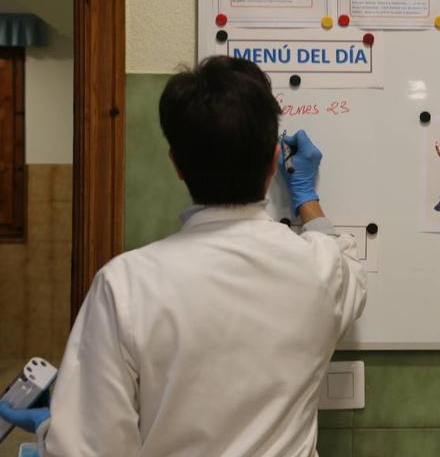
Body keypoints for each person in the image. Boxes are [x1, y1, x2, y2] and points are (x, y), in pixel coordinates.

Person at [0, 56, 367, 456]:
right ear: (273, 159)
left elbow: (86, 449)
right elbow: (346, 267)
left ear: (176, 165)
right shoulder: (319, 269)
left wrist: (50, 427)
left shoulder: (125, 285)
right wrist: (306, 198)